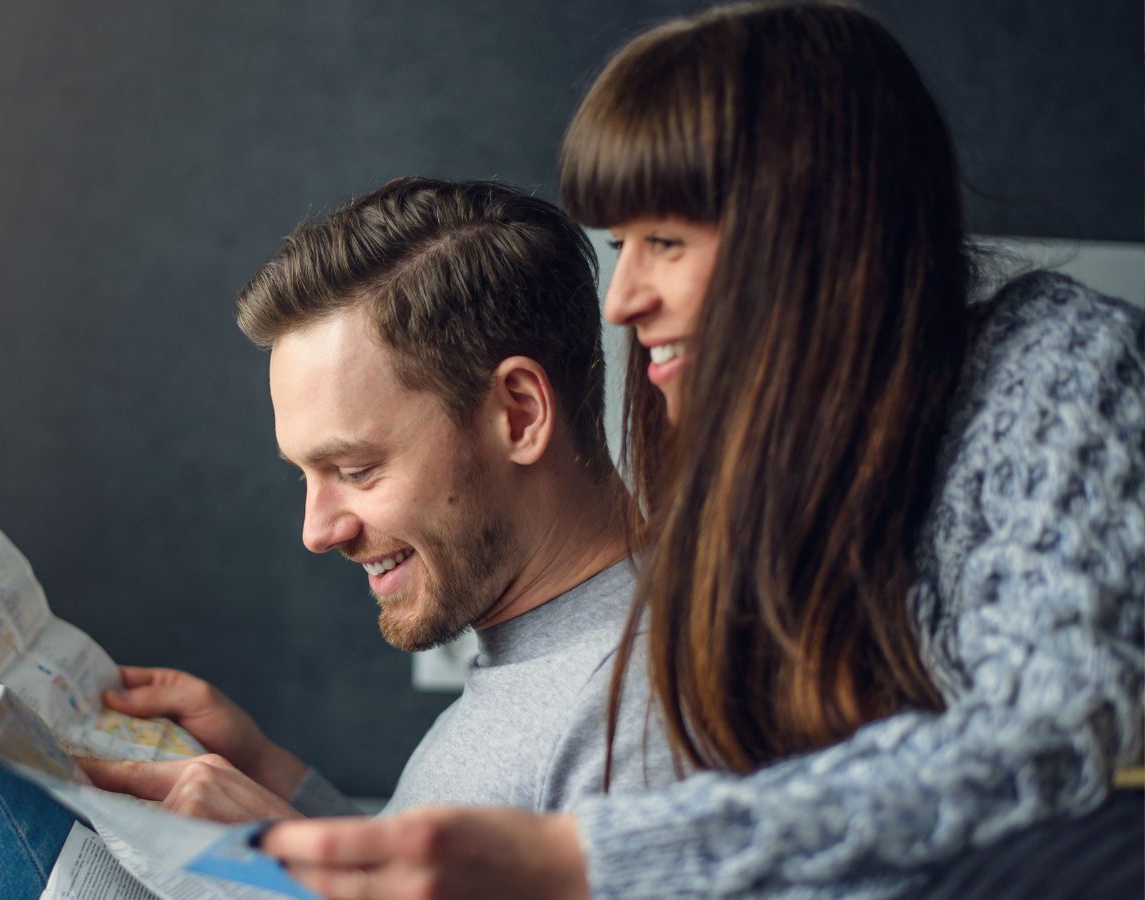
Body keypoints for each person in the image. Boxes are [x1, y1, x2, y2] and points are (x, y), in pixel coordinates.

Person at [259, 3, 1144, 898]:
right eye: (619, 246)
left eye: (667, 244)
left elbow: (1052, 735)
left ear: (814, 233)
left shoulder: (1054, 364)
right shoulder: (754, 462)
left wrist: (577, 861)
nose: (623, 299)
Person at [0, 177, 672, 899]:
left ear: (517, 412)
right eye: (305, 475)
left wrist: (279, 867)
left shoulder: (643, 708)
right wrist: (283, 784)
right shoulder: (557, 650)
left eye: (357, 469)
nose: (317, 528)